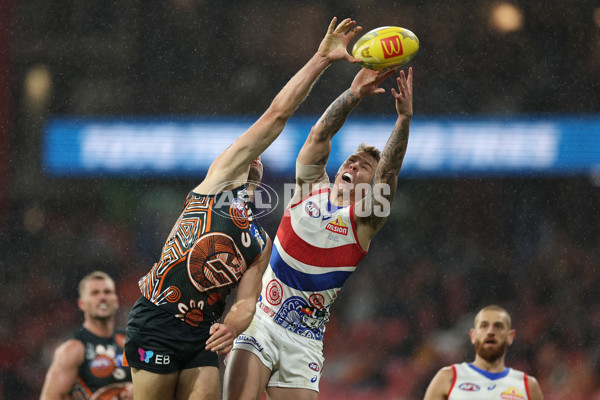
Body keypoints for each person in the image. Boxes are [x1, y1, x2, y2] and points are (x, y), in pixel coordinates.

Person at [122, 17, 364, 400]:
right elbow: (277, 114)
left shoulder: (258, 240)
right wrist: (320, 59)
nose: (252, 157)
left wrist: (232, 327)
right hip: (156, 321)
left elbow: (247, 302)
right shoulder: (217, 183)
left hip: (203, 335)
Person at [224, 64, 413, 399]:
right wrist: (352, 95)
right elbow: (319, 136)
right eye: (350, 161)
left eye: (363, 166)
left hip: (305, 340)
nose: (352, 165)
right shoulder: (309, 186)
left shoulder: (364, 221)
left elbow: (390, 172)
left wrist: (403, 120)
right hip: (263, 320)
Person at [40, 271, 133, 400]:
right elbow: (50, 397)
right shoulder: (72, 349)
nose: (102, 297)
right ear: (81, 304)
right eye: (95, 293)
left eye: (107, 292)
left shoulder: (131, 341)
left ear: (116, 300)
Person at [422, 305, 544, 400]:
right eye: (484, 326)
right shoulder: (448, 377)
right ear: (473, 335)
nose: (490, 332)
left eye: (498, 326)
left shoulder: (528, 386)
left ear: (510, 337)